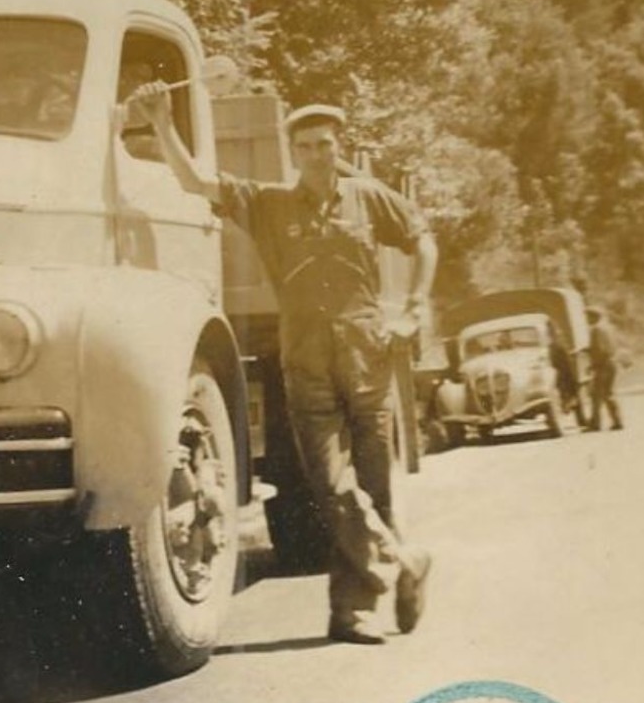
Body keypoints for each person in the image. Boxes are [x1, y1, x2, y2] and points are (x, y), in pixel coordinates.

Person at [136, 87, 437, 645]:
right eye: (306, 146)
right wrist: (161, 122)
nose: (318, 155)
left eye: (326, 144)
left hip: (367, 356)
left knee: (376, 484)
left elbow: (422, 239)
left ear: (336, 146)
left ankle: (350, 611)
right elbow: (197, 183)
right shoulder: (270, 205)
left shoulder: (369, 198)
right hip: (306, 363)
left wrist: (414, 308)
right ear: (292, 153)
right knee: (327, 481)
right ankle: (402, 557)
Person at [585, 307, 624, 431]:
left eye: (588, 317)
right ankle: (617, 421)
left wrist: (593, 363)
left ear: (594, 317)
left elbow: (600, 350)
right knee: (609, 393)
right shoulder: (608, 328)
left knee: (596, 395)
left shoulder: (596, 330)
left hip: (603, 365)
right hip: (612, 363)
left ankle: (595, 424)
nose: (586, 319)